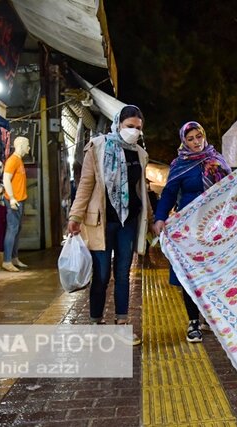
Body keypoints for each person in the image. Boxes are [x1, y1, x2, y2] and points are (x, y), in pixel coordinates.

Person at [67, 105, 150, 346]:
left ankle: (122, 324)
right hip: (100, 221)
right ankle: (95, 322)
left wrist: (152, 220)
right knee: (101, 275)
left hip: (128, 222)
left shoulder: (140, 154)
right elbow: (85, 185)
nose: (134, 132)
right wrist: (75, 217)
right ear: (118, 124)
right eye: (130, 126)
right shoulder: (99, 146)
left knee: (123, 274)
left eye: (138, 128)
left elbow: (140, 190)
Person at [154, 121, 231, 343]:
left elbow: (232, 186)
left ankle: (207, 317)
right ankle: (193, 322)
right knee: (189, 274)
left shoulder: (217, 160)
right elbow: (169, 193)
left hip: (215, 227)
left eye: (199, 136)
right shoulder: (180, 164)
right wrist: (160, 217)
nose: (196, 142)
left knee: (211, 273)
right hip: (189, 228)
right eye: (191, 139)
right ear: (184, 141)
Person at [2, 136, 31, 272]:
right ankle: (7, 261)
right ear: (20, 146)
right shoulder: (12, 160)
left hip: (20, 200)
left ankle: (14, 258)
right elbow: (6, 179)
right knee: (12, 229)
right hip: (13, 201)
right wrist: (12, 198)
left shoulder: (19, 160)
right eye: (27, 145)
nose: (29, 148)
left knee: (17, 230)